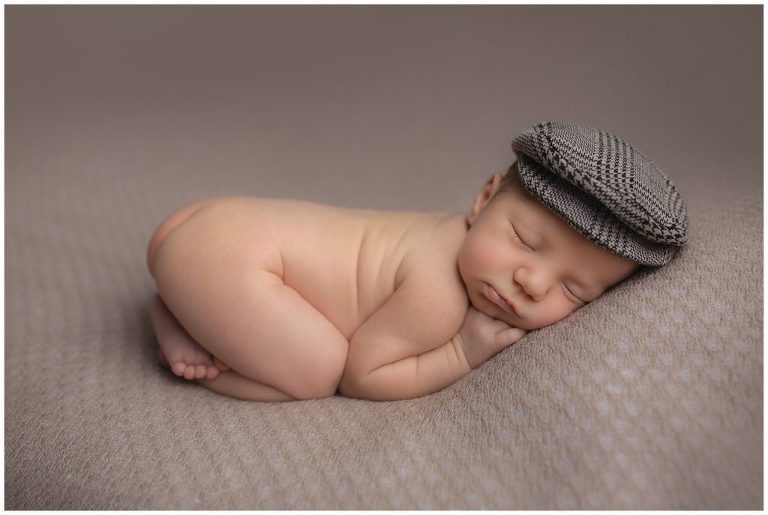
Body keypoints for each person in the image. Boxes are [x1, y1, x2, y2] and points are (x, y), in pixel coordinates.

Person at [146, 122, 688, 401]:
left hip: (215, 227)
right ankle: (187, 331)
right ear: (482, 200)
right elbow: (364, 375)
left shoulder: (453, 231)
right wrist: (460, 351)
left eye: (574, 291)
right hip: (231, 257)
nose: (531, 281)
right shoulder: (438, 290)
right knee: (317, 371)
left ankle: (186, 297)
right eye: (524, 238)